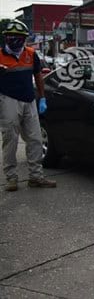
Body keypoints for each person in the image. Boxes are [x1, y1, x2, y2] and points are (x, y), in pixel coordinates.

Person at [0, 19, 56, 191]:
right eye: (11, 36)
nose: (15, 39)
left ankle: (36, 177)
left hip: (29, 100)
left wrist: (42, 97)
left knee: (35, 139)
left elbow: (38, 76)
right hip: (8, 100)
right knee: (11, 140)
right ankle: (11, 178)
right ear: (6, 37)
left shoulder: (31, 54)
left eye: (19, 36)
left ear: (24, 38)